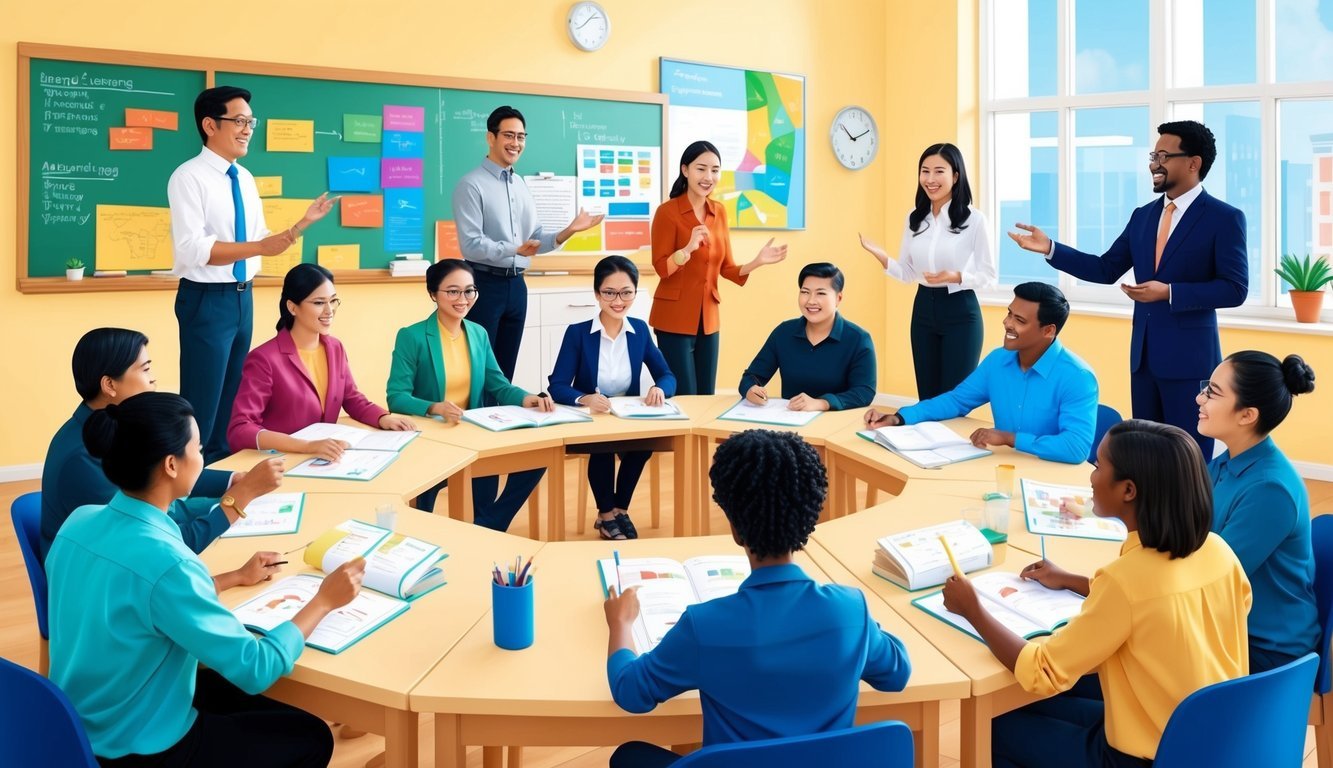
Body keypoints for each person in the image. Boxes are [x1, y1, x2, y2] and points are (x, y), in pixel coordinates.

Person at [46, 391, 366, 766]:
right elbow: (255, 667)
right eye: (198, 448)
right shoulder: (170, 563)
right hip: (140, 749)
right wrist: (324, 601)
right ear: (170, 464)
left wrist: (234, 577)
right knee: (311, 736)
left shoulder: (79, 521)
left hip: (79, 723)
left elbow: (137, 600)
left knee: (246, 695)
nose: (202, 457)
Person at [942, 419, 1251, 767]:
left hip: (1148, 756)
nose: (1091, 474)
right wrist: (1074, 580)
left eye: (1100, 466)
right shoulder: (1219, 550)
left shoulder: (1126, 580)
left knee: (996, 727)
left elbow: (1042, 672)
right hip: (1212, 739)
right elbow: (1160, 603)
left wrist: (973, 609)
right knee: (1035, 707)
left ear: (1128, 490)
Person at [603, 429, 912, 767]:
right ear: (810, 518)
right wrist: (858, 618)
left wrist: (620, 624)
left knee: (628, 756)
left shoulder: (703, 627)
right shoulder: (850, 608)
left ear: (735, 530)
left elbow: (630, 691)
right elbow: (897, 674)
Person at [1008, 120, 1248, 458]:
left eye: (1164, 155)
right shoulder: (1143, 216)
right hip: (1144, 360)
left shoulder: (1223, 218)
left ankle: (1192, 515)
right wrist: (1051, 248)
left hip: (1189, 363)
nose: (1154, 163)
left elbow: (1235, 288)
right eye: (1153, 154)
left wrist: (1169, 292)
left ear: (1193, 163)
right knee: (1147, 458)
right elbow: (1106, 268)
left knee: (1188, 460)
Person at [169, 85, 338, 462]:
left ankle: (225, 487)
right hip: (206, 299)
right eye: (239, 121)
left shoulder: (243, 177)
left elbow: (259, 240)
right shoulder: (189, 177)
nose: (247, 129)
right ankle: (190, 492)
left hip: (243, 297)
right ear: (210, 125)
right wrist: (261, 247)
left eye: (251, 122)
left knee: (233, 403)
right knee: (202, 404)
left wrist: (299, 226)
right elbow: (193, 250)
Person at [39, 327, 284, 563]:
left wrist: (235, 481)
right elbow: (157, 545)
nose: (153, 379)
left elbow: (170, 473)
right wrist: (239, 498)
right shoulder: (83, 458)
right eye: (145, 370)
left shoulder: (119, 425)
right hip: (103, 575)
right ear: (110, 385)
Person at [386, 259, 552, 530]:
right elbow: (396, 396)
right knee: (423, 508)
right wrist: (435, 407)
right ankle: (473, 527)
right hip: (432, 439)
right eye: (452, 291)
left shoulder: (478, 333)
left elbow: (498, 384)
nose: (462, 299)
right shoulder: (412, 336)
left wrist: (526, 398)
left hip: (473, 433)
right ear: (433, 294)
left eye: (469, 291)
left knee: (537, 459)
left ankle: (488, 525)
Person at [452, 105, 605, 383]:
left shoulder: (521, 184)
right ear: (491, 138)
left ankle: (500, 420)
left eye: (521, 137)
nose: (516, 143)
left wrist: (567, 231)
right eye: (509, 135)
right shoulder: (471, 185)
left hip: (517, 287)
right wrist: (514, 249)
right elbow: (471, 245)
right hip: (484, 286)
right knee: (478, 371)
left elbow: (534, 240)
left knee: (505, 373)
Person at [865, 282, 1097, 464]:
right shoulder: (998, 360)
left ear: (1048, 331)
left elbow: (1075, 447)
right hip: (1002, 467)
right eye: (1009, 314)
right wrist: (900, 417)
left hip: (1050, 479)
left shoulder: (1078, 377)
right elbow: (957, 400)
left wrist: (1009, 439)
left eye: (1019, 320)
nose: (1007, 323)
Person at [1198, 350, 1318, 672]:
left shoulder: (1270, 490)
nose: (1200, 398)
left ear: (1247, 415)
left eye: (1212, 392)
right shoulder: (1225, 463)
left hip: (1264, 649)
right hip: (1223, 623)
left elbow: (1210, 576)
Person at [548, 255, 678, 540]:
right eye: (609, 292)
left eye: (626, 292)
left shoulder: (640, 331)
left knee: (643, 446)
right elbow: (557, 385)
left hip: (626, 417)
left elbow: (668, 375)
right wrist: (585, 398)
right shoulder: (578, 333)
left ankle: (619, 510)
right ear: (597, 294)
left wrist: (659, 389)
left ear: (634, 292)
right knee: (603, 447)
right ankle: (606, 514)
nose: (618, 300)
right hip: (593, 418)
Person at [228, 264, 415, 456]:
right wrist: (304, 446)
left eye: (333, 301)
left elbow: (351, 397)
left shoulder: (335, 348)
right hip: (281, 460)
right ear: (292, 307)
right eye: (319, 303)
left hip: (323, 459)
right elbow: (240, 429)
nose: (329, 310)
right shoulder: (264, 359)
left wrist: (383, 417)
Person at [858, 143, 996, 399]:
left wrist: (957, 277)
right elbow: (908, 272)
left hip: (961, 311)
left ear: (955, 176)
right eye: (925, 171)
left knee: (954, 398)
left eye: (938, 172)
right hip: (923, 308)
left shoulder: (974, 220)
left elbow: (989, 276)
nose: (930, 179)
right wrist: (882, 256)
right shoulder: (914, 218)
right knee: (927, 395)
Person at [649, 140, 788, 395]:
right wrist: (688, 248)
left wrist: (757, 262)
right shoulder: (667, 213)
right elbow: (662, 268)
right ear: (685, 170)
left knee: (706, 396)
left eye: (715, 170)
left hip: (708, 318)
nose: (708, 177)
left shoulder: (719, 212)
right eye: (701, 169)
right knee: (685, 396)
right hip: (673, 318)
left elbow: (727, 268)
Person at [739, 262, 876, 412]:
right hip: (789, 423)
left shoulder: (859, 339)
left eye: (821, 293)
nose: (811, 301)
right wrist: (750, 389)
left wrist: (822, 403)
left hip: (835, 422)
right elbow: (752, 376)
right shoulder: (784, 332)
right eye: (805, 292)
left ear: (838, 298)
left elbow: (864, 392)